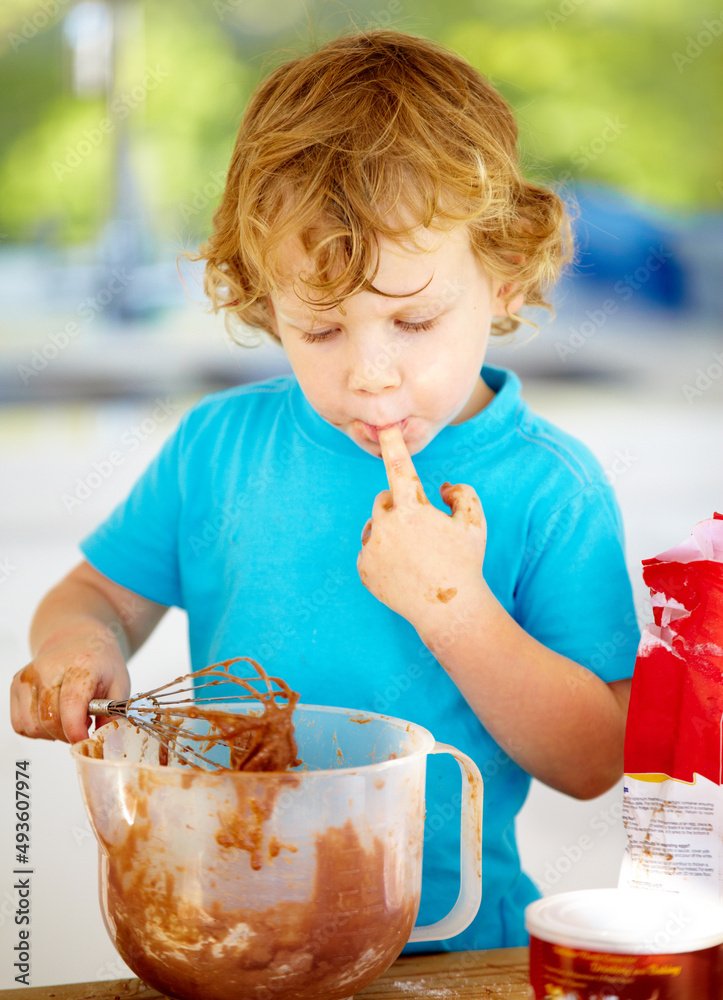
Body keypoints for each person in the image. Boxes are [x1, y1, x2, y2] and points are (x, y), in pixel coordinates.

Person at [10, 29, 639, 950]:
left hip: (457, 947)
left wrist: (452, 609)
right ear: (265, 302)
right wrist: (76, 649)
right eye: (320, 330)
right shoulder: (219, 449)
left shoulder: (551, 489)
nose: (371, 376)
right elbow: (98, 595)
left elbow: (595, 761)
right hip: (230, 927)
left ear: (502, 279)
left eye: (413, 320)